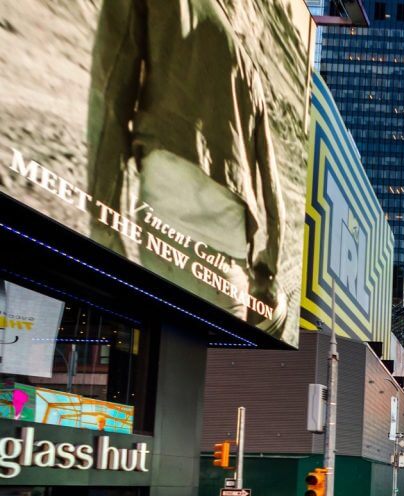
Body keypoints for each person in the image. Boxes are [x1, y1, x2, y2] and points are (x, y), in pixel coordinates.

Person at [87, 0, 297, 340]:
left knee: (154, 349)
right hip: (228, 263)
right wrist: (267, 266)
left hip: (163, 221)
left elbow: (111, 94)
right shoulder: (251, 74)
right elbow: (275, 200)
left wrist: (103, 219)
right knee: (209, 369)